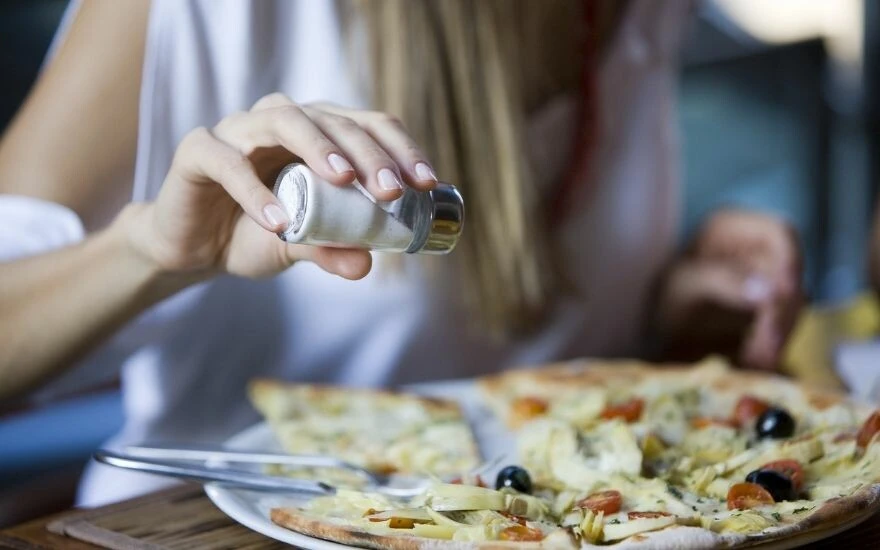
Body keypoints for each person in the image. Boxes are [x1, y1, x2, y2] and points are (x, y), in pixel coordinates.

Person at [0, 0, 802, 505]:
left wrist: (664, 299)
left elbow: (526, 359)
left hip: (547, 518)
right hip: (209, 526)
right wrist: (151, 253)